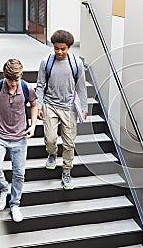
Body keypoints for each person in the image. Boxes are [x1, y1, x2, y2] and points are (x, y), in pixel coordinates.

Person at [0, 59, 38, 223]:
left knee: (19, 174)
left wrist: (33, 125)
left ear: (21, 76)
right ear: (4, 75)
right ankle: (3, 189)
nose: (13, 84)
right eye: (10, 79)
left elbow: (34, 105)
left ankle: (14, 204)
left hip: (20, 137)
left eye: (16, 80)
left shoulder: (27, 88)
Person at [36, 30, 88, 190]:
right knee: (51, 139)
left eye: (62, 49)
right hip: (50, 105)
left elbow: (81, 88)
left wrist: (84, 108)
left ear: (69, 47)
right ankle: (52, 153)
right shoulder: (46, 62)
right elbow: (40, 85)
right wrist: (38, 105)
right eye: (56, 48)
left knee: (69, 144)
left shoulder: (76, 63)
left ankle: (66, 172)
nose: (59, 52)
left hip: (69, 108)